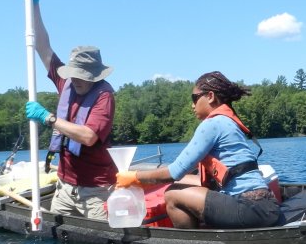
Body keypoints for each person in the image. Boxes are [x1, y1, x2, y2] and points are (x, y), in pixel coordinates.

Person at [115, 71, 281, 229]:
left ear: (210, 97)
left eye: (194, 98)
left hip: (249, 209)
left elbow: (173, 172)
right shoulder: (227, 121)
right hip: (266, 206)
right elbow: (186, 177)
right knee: (179, 184)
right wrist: (146, 182)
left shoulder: (211, 124)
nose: (192, 105)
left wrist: (134, 178)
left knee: (172, 195)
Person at [21, 0, 117, 220]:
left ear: (95, 76)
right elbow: (42, 46)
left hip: (96, 191)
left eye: (83, 76)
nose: (76, 80)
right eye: (74, 75)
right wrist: (34, 4)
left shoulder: (104, 95)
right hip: (64, 187)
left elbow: (87, 136)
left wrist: (47, 117)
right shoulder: (66, 83)